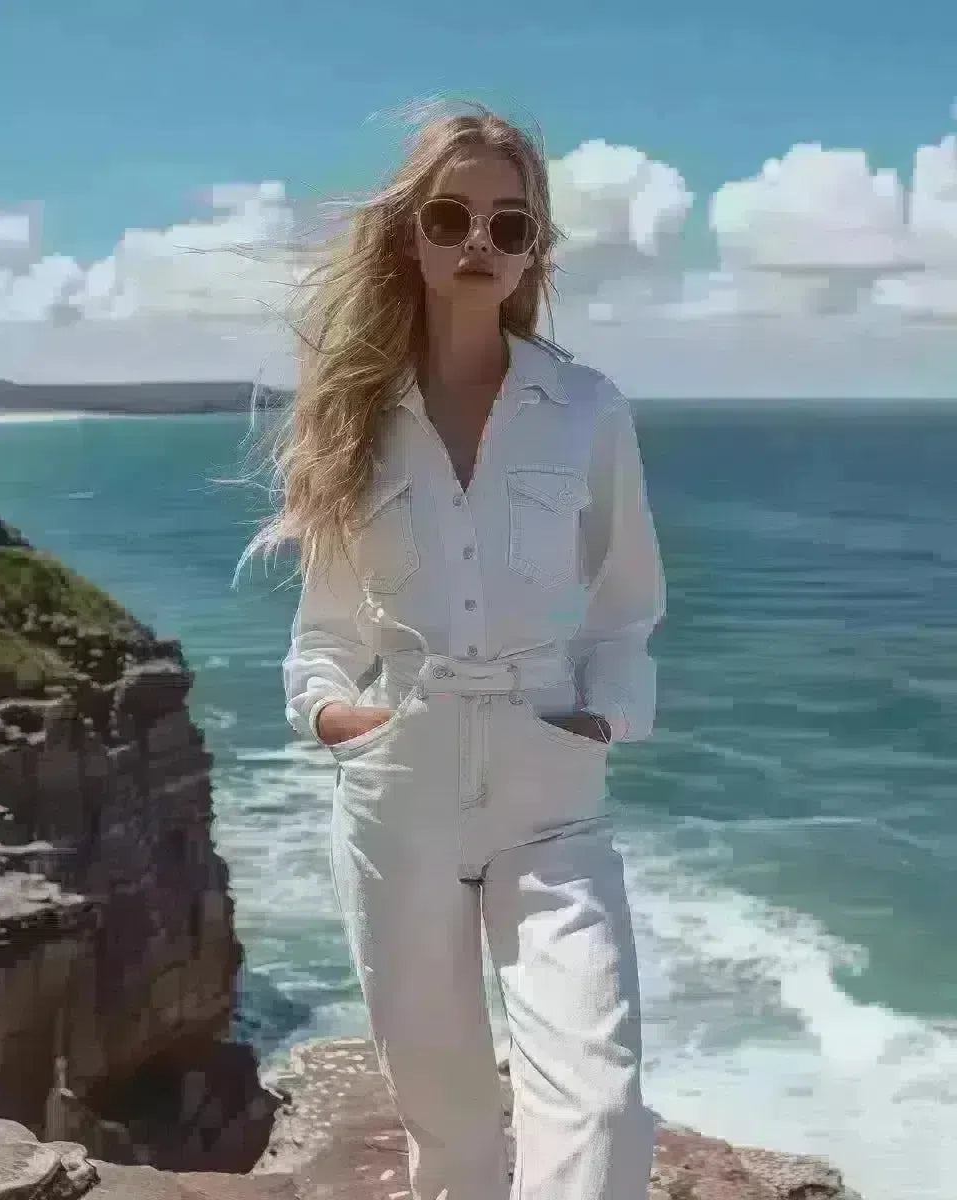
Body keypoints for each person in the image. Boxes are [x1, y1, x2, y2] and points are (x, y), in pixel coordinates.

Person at [249, 102, 666, 1200]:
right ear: (412, 238)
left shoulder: (586, 409)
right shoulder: (356, 417)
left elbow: (627, 605)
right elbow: (323, 639)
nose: (479, 241)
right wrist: (342, 720)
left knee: (601, 1107)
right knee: (451, 1129)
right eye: (451, 215)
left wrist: (598, 719)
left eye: (510, 222)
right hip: (402, 787)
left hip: (549, 780)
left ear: (535, 249)